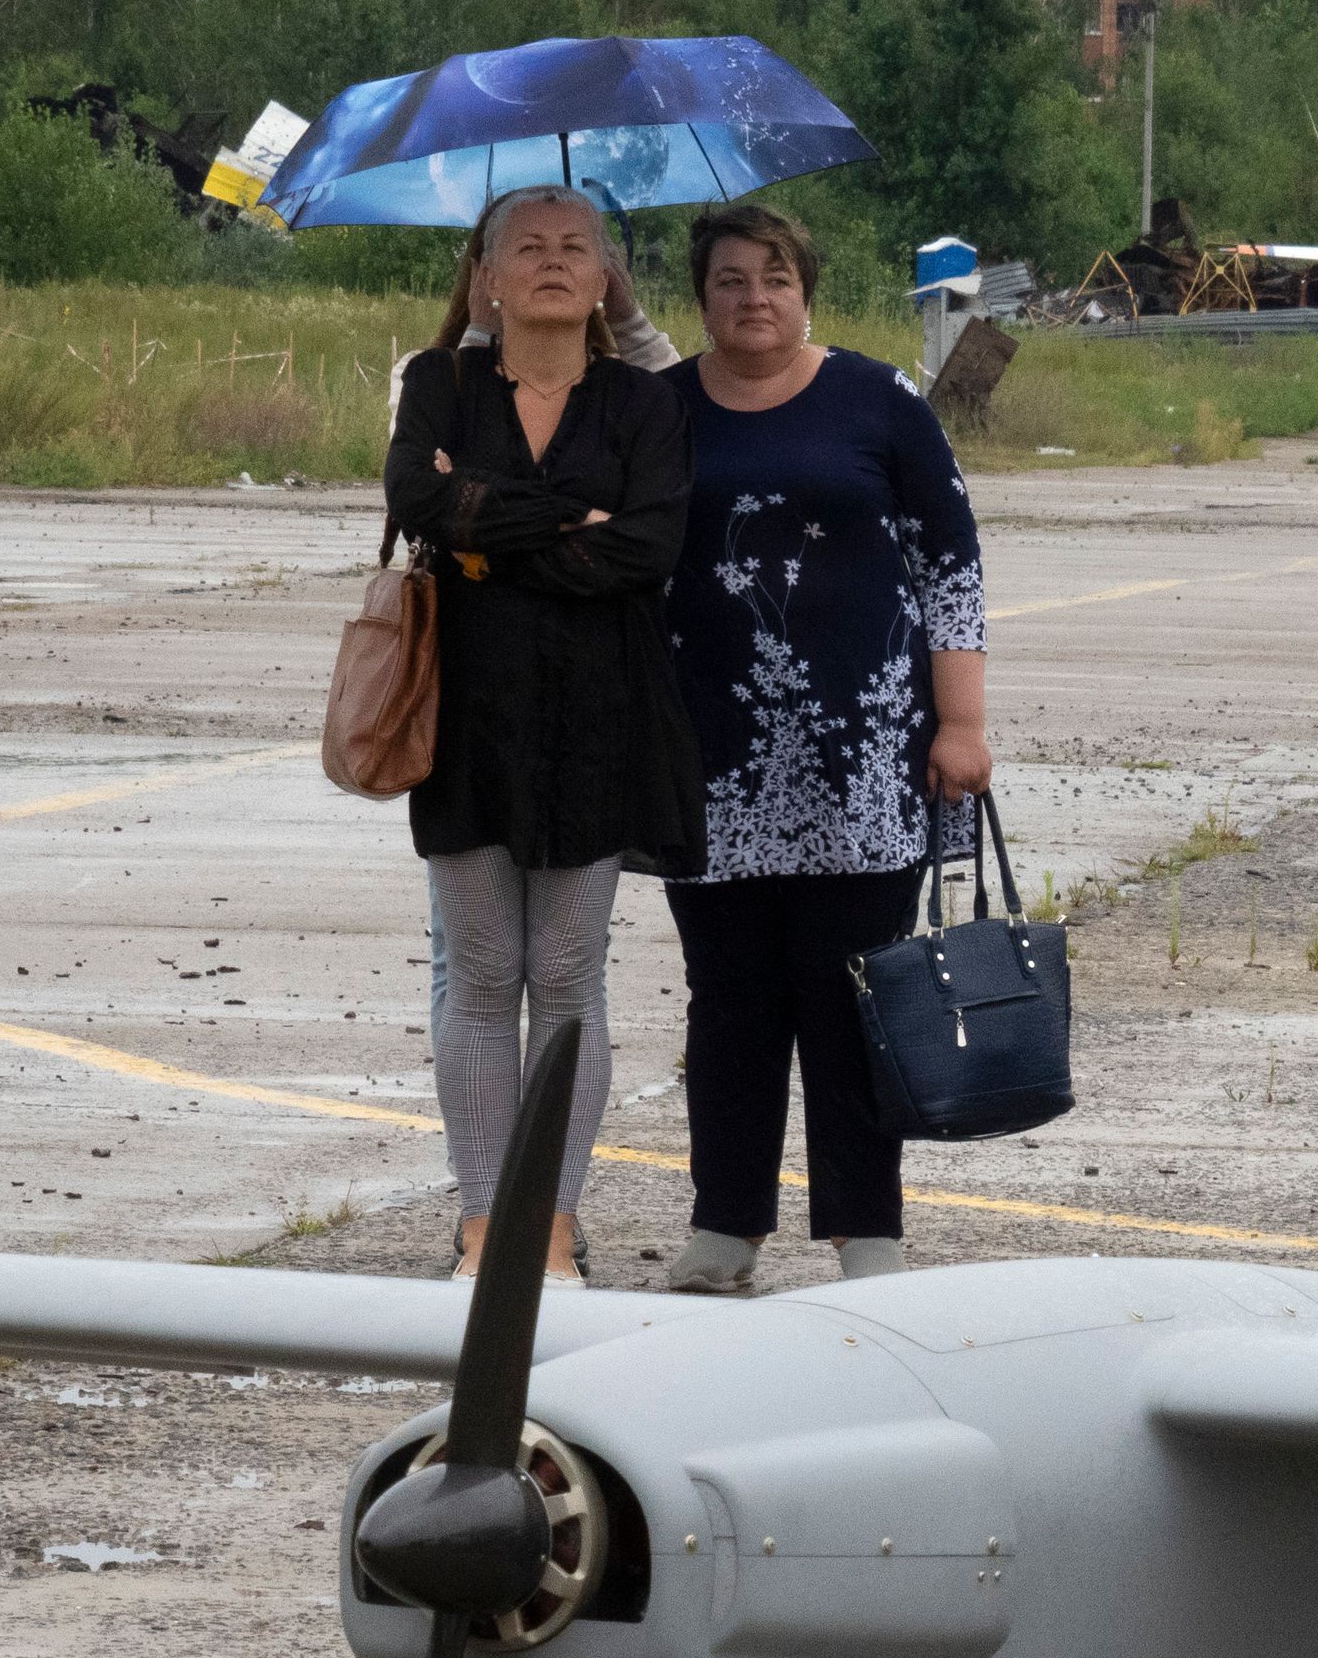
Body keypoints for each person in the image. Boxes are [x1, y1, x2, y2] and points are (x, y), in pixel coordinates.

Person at [654, 201, 993, 1294]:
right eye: (729, 280)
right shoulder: (658, 412)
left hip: (866, 756)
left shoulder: (878, 398)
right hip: (709, 758)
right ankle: (725, 1225)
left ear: (808, 290)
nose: (754, 298)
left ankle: (867, 1229)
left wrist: (963, 721)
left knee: (854, 997)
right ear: (698, 297)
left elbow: (952, 565)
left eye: (776, 278)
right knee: (730, 1002)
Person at [384, 183, 700, 1281]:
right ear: (487, 278)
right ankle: (483, 1227)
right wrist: (573, 522)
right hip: (464, 712)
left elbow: (650, 550)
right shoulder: (440, 382)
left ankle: (553, 1229)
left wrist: (489, 525)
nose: (553, 261)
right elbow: (417, 507)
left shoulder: (646, 404)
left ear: (606, 276)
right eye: (528, 246)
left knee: (566, 973)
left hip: (603, 715)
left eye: (576, 245)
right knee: (477, 969)